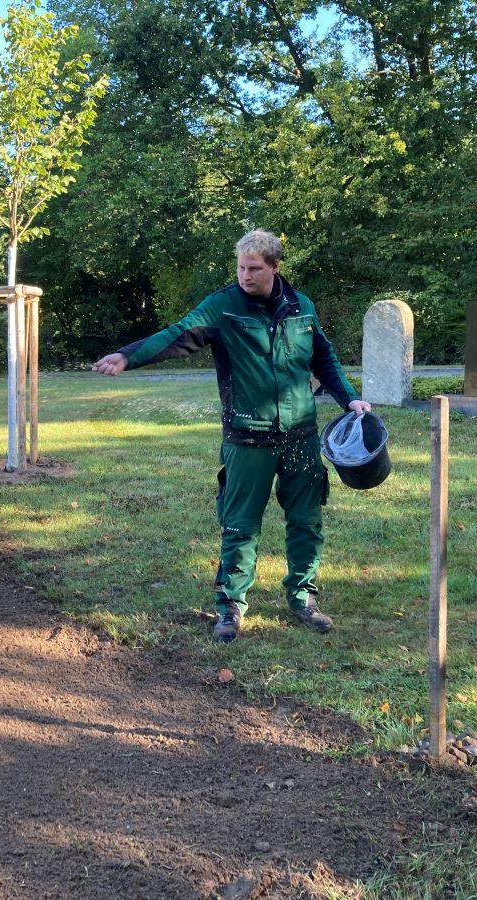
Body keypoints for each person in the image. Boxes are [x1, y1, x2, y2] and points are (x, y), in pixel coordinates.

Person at [92, 229, 370, 642]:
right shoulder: (223, 306)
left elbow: (323, 356)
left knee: (307, 522)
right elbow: (179, 333)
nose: (245, 275)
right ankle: (230, 607)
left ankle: (303, 598)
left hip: (300, 437)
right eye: (240, 267)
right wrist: (128, 355)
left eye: (254, 268)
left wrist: (349, 399)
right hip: (247, 438)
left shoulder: (301, 307)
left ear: (275, 267)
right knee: (240, 527)